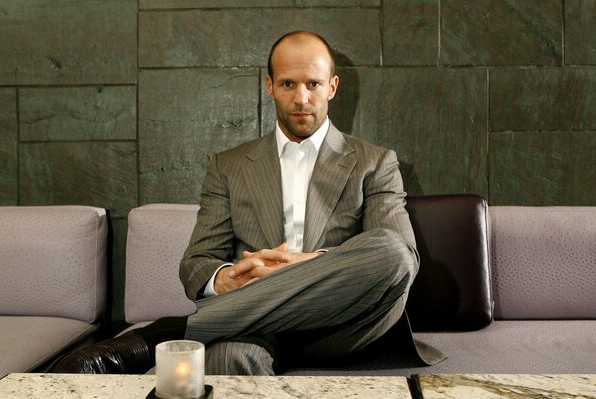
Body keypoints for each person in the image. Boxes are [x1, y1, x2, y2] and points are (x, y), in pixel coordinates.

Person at [53, 30, 443, 375]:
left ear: (333, 87)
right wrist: (224, 277)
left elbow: (399, 256)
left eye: (313, 84)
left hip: (343, 325)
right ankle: (208, 326)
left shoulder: (375, 161)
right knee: (227, 359)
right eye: (289, 84)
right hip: (255, 329)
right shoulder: (229, 166)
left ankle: (167, 333)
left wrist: (295, 265)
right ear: (269, 86)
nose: (302, 98)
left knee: (393, 251)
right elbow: (197, 262)